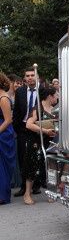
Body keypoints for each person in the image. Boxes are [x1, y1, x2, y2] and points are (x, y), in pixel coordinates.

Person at [23, 86, 58, 205]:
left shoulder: (55, 109)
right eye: (56, 95)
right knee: (33, 166)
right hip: (36, 141)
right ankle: (27, 193)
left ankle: (51, 191)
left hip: (51, 142)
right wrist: (44, 131)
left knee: (51, 167)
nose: (57, 97)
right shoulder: (37, 108)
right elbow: (28, 124)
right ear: (50, 96)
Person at [12, 67, 38, 197]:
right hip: (22, 128)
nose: (30, 77)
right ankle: (24, 187)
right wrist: (16, 129)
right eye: (27, 75)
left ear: (36, 76)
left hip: (37, 128)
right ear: (25, 78)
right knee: (23, 157)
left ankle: (37, 185)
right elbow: (16, 111)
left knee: (36, 156)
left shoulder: (42, 91)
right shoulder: (20, 91)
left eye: (32, 75)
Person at [0, 72, 17, 204]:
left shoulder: (3, 98)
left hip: (3, 134)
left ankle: (3, 196)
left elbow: (8, 120)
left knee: (2, 166)